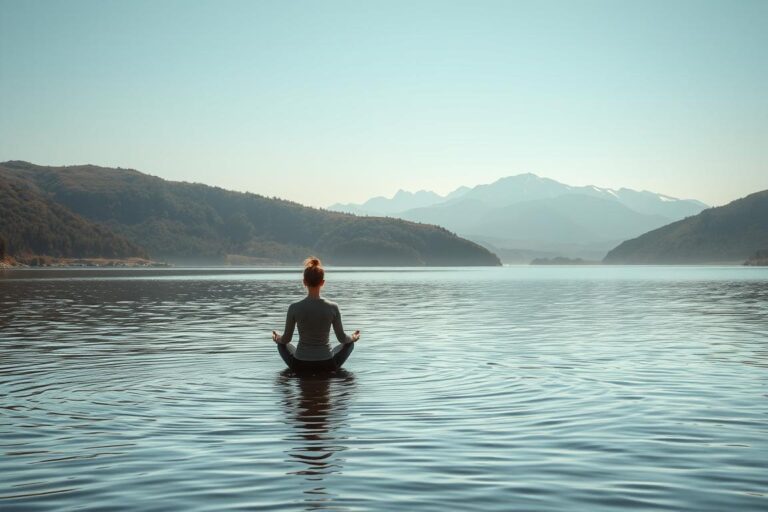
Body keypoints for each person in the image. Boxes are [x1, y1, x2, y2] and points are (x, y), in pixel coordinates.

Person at [272, 257, 360, 372]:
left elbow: (286, 339)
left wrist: (277, 338)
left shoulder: (294, 308)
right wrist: (353, 337)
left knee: (281, 344)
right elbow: (342, 338)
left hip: (299, 365)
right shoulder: (333, 307)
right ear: (323, 283)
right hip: (327, 364)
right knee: (350, 344)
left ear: (304, 282)